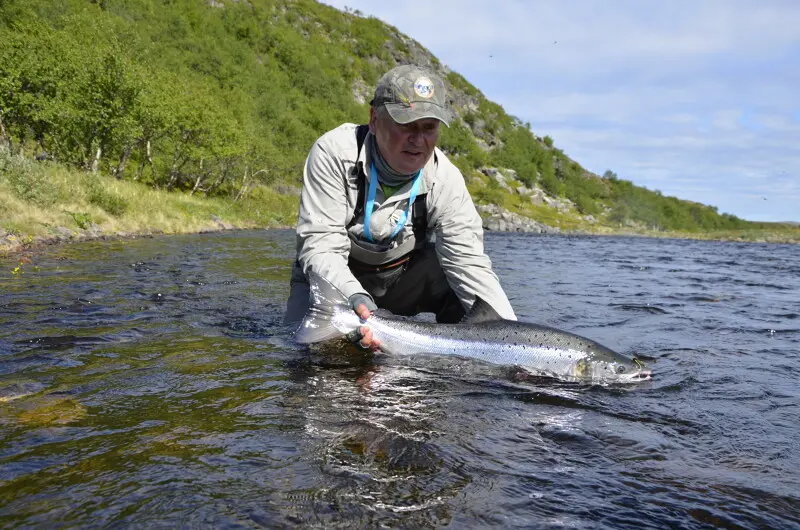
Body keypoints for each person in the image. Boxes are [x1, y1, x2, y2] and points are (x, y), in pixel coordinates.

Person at [284, 64, 516, 349]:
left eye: (429, 128)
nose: (418, 140)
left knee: (456, 282)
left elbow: (470, 265)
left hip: (400, 284)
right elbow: (320, 245)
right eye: (406, 124)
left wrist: (514, 343)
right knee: (306, 355)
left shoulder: (447, 180)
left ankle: (459, 359)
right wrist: (354, 299)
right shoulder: (333, 153)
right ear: (374, 119)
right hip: (329, 286)